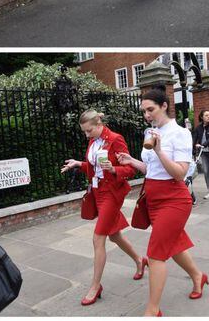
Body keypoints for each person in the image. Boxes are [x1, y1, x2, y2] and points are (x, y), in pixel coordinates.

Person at [117, 89, 208, 317]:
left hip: (174, 199)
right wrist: (132, 161)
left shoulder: (180, 133)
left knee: (156, 254)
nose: (147, 115)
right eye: (144, 111)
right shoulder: (151, 131)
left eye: (151, 109)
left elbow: (179, 174)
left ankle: (152, 310)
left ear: (164, 106)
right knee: (173, 245)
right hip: (153, 198)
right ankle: (198, 276)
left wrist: (158, 151)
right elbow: (151, 170)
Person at [61, 109, 146, 306]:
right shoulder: (93, 140)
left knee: (98, 238)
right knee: (114, 234)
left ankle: (95, 285)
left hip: (111, 194)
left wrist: (114, 168)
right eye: (84, 132)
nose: (87, 135)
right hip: (98, 193)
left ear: (99, 125)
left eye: (89, 131)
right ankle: (139, 259)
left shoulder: (115, 139)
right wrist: (78, 164)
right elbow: (94, 167)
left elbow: (131, 168)